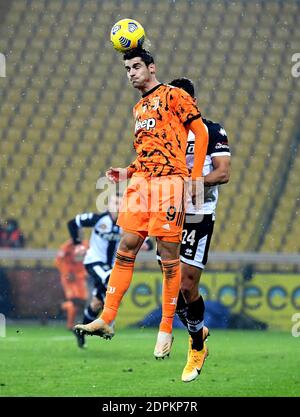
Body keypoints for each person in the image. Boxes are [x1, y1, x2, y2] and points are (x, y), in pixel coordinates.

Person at [74, 48, 209, 360]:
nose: (131, 73)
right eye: (127, 68)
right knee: (127, 244)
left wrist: (195, 178)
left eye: (136, 66)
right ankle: (106, 319)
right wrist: (129, 170)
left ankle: (165, 329)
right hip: (142, 182)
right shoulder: (138, 108)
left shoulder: (174, 95)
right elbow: (149, 150)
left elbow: (199, 132)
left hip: (170, 181)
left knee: (166, 253)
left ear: (152, 67)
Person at [168, 78, 231, 382]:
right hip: (170, 215)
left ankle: (196, 346)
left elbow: (223, 172)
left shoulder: (212, 130)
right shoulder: (165, 134)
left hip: (199, 214)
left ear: (191, 102)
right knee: (176, 292)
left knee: (186, 285)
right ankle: (199, 331)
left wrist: (194, 184)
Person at [55, 239, 89, 331]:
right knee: (73, 303)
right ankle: (70, 325)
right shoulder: (66, 246)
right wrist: (66, 273)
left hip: (80, 278)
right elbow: (58, 261)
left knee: (82, 302)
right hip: (70, 278)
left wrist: (85, 273)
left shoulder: (85, 245)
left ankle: (61, 307)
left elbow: (89, 259)